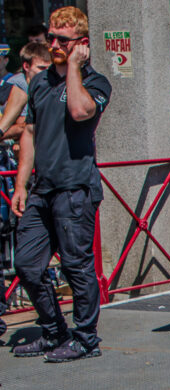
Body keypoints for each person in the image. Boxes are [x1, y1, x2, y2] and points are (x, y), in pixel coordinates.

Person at [10, 6, 111, 362]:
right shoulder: (38, 82)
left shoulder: (96, 82)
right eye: (50, 37)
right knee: (26, 263)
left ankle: (86, 339)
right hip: (43, 188)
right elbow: (30, 134)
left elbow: (80, 112)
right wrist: (21, 184)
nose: (52, 44)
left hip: (76, 188)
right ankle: (54, 331)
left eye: (61, 40)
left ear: (81, 44)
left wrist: (73, 67)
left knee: (76, 265)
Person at [0, 43, 50, 142]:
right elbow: (24, 125)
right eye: (42, 68)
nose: (47, 73)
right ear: (26, 66)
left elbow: (25, 125)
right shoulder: (19, 82)